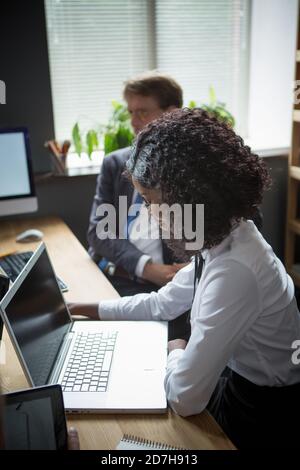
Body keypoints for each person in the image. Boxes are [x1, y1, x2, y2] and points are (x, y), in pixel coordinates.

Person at [71, 108, 300, 448]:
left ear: (191, 200)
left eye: (151, 203)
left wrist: (175, 351)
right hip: (239, 380)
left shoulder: (234, 270)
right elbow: (163, 303)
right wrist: (83, 307)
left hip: (262, 410)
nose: (149, 214)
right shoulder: (225, 236)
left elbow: (185, 398)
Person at [87, 71, 186, 298]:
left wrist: (195, 267)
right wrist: (147, 268)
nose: (133, 122)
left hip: (171, 286)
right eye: (131, 112)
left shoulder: (193, 166)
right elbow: (98, 231)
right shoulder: (116, 163)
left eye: (142, 112)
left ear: (172, 114)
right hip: (115, 276)